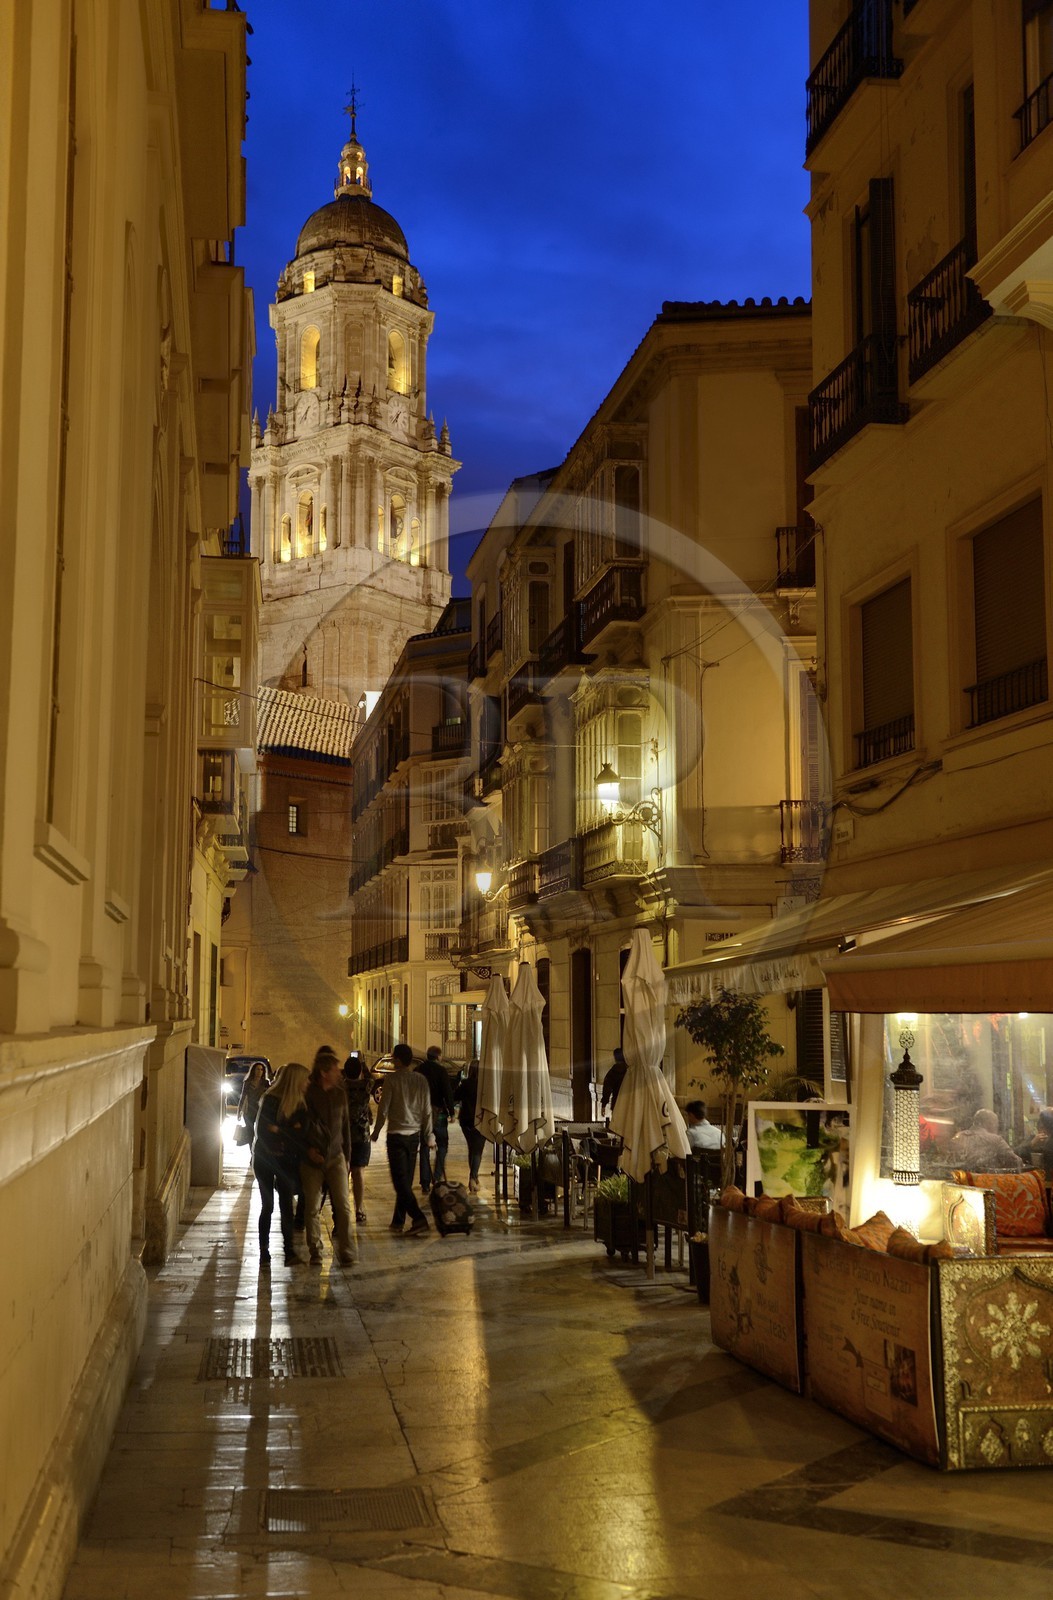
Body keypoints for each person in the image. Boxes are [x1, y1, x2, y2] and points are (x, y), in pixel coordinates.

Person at [372, 1042, 434, 1234]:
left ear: (398, 1060)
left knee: (400, 1182)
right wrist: (429, 1134)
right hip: (414, 1136)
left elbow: (383, 1109)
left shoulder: (392, 1080)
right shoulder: (421, 1080)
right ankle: (398, 1221)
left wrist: (376, 1131)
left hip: (397, 1136)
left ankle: (419, 1218)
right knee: (405, 1181)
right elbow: (427, 1111)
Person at [301, 1045, 355, 1267]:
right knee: (312, 1207)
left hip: (336, 1157)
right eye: (335, 1069)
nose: (339, 1072)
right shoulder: (308, 1094)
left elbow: (345, 1127)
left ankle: (346, 1250)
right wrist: (308, 1151)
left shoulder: (340, 1094)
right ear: (324, 1072)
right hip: (311, 1159)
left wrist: (347, 1156)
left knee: (342, 1206)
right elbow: (300, 1126)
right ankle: (315, 1250)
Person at [252, 1062, 308, 1268]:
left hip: (286, 1161)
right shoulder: (270, 1099)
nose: (307, 1083)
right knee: (268, 1206)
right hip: (265, 1159)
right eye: (304, 1079)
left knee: (287, 1206)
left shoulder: (300, 1104)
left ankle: (289, 1252)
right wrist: (289, 1130)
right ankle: (264, 1252)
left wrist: (280, 1130)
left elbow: (301, 1134)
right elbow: (264, 1131)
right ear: (295, 1081)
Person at [416, 1045, 456, 1193]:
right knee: (443, 1144)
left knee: (424, 1147)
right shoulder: (441, 1071)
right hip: (438, 1113)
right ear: (438, 1056)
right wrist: (452, 1112)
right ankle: (437, 1176)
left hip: (422, 1115)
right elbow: (447, 1092)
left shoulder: (419, 1070)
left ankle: (425, 1182)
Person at [341, 1052, 374, 1224]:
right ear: (360, 1070)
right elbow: (371, 1077)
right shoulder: (366, 1086)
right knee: (359, 1173)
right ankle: (359, 1209)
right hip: (362, 1135)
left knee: (343, 1172)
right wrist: (363, 1063)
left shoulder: (341, 1087)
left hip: (343, 1135)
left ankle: (343, 1207)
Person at [947, 1108, 1022, 1173]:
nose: (997, 1128)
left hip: (959, 1182)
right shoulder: (996, 1140)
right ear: (989, 1123)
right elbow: (1016, 1162)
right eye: (996, 1125)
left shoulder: (958, 1136)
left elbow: (949, 1162)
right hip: (984, 1183)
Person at [458, 1058, 487, 1194]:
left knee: (472, 1148)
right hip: (480, 1120)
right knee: (477, 1151)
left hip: (465, 1121)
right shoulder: (485, 1086)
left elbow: (454, 1096)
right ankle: (473, 1178)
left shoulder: (465, 1084)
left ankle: (474, 1178)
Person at [237, 1061, 269, 1151]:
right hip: (249, 1110)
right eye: (258, 1069)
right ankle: (252, 1151)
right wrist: (239, 1111)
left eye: (261, 1069)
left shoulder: (266, 1083)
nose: (260, 1071)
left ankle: (258, 1150)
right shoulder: (247, 1082)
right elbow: (243, 1096)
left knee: (260, 1132)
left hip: (260, 1110)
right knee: (250, 1132)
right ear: (253, 1070)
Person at [1016, 1107, 1053, 1178]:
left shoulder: (1049, 1143)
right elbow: (1016, 1153)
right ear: (1040, 1128)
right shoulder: (1034, 1139)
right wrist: (1032, 1144)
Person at [600, 1048, 627, 1116]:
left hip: (616, 1103)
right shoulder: (630, 1071)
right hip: (629, 1103)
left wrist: (604, 1104)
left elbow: (607, 1088)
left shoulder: (613, 1072)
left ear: (615, 1058)